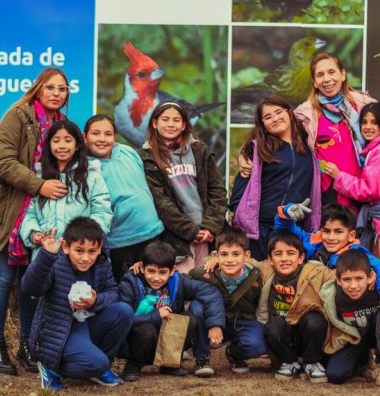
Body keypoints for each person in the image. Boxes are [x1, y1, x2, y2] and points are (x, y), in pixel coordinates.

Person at [0, 68, 73, 375]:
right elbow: (3, 162)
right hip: (8, 211)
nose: (57, 93)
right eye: (51, 87)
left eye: (63, 88)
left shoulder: (62, 125)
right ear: (38, 89)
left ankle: (26, 346)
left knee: (30, 284)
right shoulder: (18, 116)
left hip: (40, 215)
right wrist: (38, 185)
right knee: (3, 280)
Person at [238, 53, 380, 213]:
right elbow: (270, 132)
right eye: (320, 75)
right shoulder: (304, 113)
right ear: (314, 81)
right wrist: (243, 154)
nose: (327, 79)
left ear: (343, 74)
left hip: (363, 190)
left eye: (332, 72)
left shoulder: (363, 103)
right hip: (327, 193)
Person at [21, 217, 133, 390]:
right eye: (79, 251)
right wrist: (45, 256)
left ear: (99, 249)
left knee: (123, 311)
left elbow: (113, 293)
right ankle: (50, 368)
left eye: (91, 251)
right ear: (66, 247)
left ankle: (101, 367)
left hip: (87, 322)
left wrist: (96, 301)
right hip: (58, 331)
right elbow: (30, 288)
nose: (86, 258)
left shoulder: (102, 263)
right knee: (97, 363)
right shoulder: (55, 263)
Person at [138, 100, 227, 273]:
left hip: (206, 235)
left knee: (205, 286)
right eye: (165, 119)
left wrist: (210, 227)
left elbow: (217, 191)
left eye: (176, 120)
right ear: (155, 123)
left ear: (184, 124)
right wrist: (191, 231)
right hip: (175, 239)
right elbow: (160, 201)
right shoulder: (146, 156)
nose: (171, 124)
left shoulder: (200, 150)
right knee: (180, 290)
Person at [229, 96, 321, 261]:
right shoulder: (257, 149)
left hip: (293, 230)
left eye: (279, 112)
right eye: (268, 116)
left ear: (290, 113)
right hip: (260, 231)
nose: (275, 118)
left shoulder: (308, 147)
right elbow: (239, 194)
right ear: (262, 123)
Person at [118, 241, 225, 380]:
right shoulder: (130, 282)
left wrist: (215, 324)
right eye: (151, 271)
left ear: (172, 270)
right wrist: (157, 315)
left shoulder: (177, 281)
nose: (156, 278)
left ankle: (169, 364)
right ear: (142, 268)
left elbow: (210, 292)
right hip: (139, 340)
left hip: (166, 339)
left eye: (162, 272)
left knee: (189, 320)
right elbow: (123, 319)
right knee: (146, 330)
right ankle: (133, 365)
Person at [329, 102, 380, 274]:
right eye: (364, 122)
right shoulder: (379, 148)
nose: (368, 127)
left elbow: (368, 190)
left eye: (374, 122)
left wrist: (339, 177)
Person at [83, 114, 164, 281]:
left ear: (115, 137)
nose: (102, 139)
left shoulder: (128, 152)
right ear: (85, 137)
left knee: (153, 287)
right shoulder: (84, 167)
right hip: (119, 242)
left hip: (152, 233)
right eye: (95, 133)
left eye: (108, 134)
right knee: (126, 289)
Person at [320, 249, 380, 386]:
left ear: (370, 276)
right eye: (347, 279)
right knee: (335, 375)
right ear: (338, 280)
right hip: (353, 338)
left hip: (377, 332)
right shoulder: (331, 296)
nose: (353, 286)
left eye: (359, 278)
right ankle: (363, 363)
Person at [274, 201, 380, 308]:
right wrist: (286, 212)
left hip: (341, 308)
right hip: (310, 303)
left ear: (351, 236)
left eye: (338, 232)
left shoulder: (356, 252)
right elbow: (285, 229)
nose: (331, 237)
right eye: (327, 231)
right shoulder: (314, 241)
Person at [20, 119, 113, 259]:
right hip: (44, 255)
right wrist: (33, 234)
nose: (62, 146)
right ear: (49, 145)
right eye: (56, 141)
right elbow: (28, 212)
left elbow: (102, 213)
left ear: (77, 145)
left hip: (81, 256)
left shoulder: (92, 175)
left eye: (68, 140)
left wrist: (82, 239)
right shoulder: (38, 177)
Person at [187, 227, 268, 374]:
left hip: (242, 321)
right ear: (217, 256)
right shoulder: (205, 273)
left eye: (236, 254)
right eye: (224, 254)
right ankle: (202, 358)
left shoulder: (257, 275)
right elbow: (179, 282)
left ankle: (234, 353)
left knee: (258, 344)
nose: (230, 260)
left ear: (247, 255)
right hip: (212, 318)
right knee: (197, 307)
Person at [256, 231, 334, 383]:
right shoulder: (265, 270)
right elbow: (240, 261)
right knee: (273, 325)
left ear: (301, 258)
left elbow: (338, 275)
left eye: (290, 253)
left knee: (315, 320)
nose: (284, 259)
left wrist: (372, 275)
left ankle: (312, 362)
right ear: (270, 259)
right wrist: (214, 259)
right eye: (278, 254)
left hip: (308, 332)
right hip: (283, 333)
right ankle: (289, 361)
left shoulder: (314, 272)